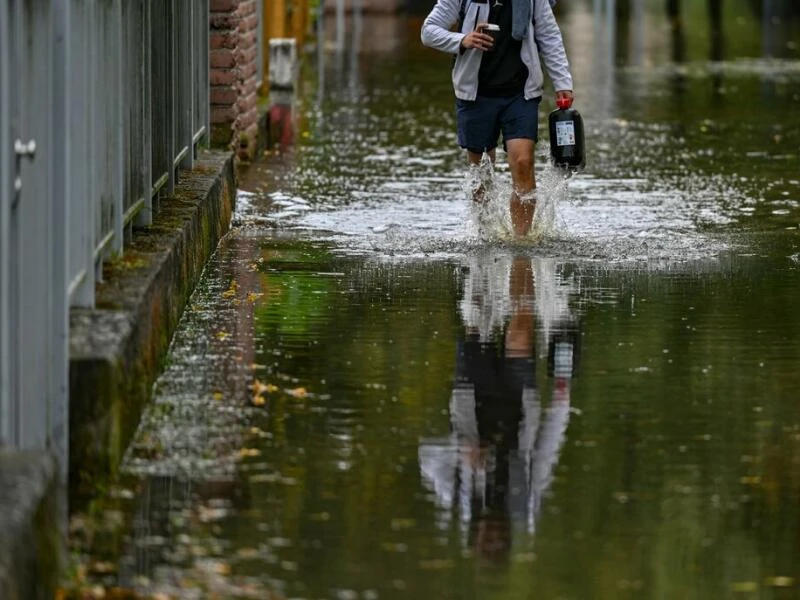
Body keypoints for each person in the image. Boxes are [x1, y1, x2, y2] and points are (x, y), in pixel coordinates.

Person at [418, 254, 579, 565]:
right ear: (505, 535)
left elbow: (425, 455)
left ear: (477, 533)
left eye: (487, 537)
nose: (490, 531)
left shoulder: (456, 497)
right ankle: (522, 256)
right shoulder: (526, 502)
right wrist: (561, 399)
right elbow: (546, 451)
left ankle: (483, 257)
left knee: (478, 319)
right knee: (520, 329)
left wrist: (461, 449)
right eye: (496, 538)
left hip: (471, 398)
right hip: (518, 404)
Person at [421, 0, 575, 237]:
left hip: (521, 93)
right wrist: (462, 40)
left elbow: (549, 35)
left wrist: (562, 82)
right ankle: (486, 235)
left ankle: (521, 243)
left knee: (523, 162)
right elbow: (428, 31)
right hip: (475, 95)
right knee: (481, 173)